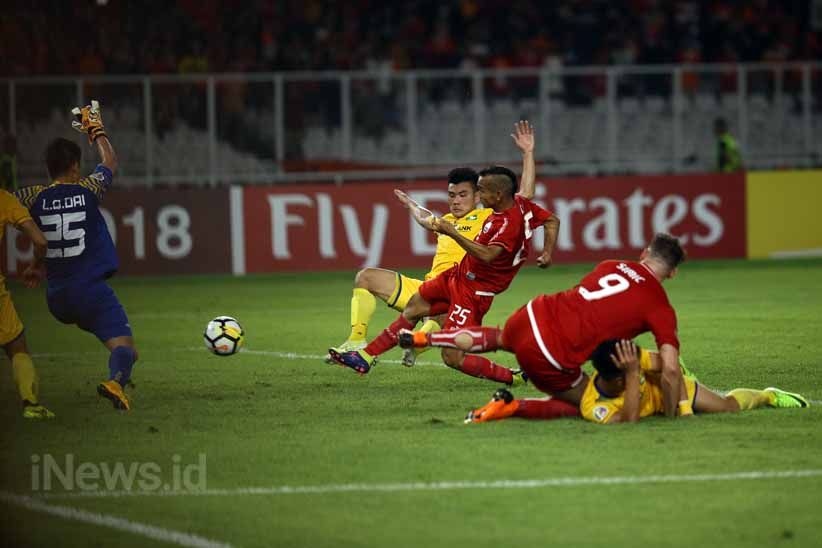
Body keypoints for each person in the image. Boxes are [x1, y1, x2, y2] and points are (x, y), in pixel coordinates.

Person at [401, 233, 689, 419]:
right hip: (552, 352)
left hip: (534, 312)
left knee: (498, 337)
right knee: (589, 402)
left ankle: (430, 338)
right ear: (673, 273)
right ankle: (510, 407)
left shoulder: (610, 264)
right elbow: (671, 370)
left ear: (644, 253)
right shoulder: (661, 308)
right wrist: (675, 413)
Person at [330, 157, 560, 386]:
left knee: (451, 357)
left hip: (473, 292)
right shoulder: (504, 206)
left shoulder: (496, 219)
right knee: (412, 307)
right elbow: (540, 208)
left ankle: (513, 377)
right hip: (454, 277)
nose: (474, 195)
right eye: (453, 195)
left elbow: (489, 254)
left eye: (477, 191)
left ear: (496, 195)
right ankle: (364, 356)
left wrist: (452, 232)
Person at [15, 100, 138, 411]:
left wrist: (35, 265)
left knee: (91, 320)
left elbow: (9, 207)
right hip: (90, 291)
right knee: (126, 350)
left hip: (56, 297)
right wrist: (95, 128)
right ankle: (116, 382)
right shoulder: (88, 190)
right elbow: (110, 161)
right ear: (74, 167)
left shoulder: (31, 197)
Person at [580, 339, 808, 424]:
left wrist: (684, 408)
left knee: (727, 407)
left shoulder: (629, 356)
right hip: (654, 401)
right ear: (619, 380)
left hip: (669, 384)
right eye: (630, 371)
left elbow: (671, 366)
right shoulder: (593, 405)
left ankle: (769, 395)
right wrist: (633, 374)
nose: (636, 367)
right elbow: (629, 422)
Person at [0, 190, 54, 419]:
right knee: (16, 345)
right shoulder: (4, 199)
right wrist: (36, 265)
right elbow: (40, 240)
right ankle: (31, 404)